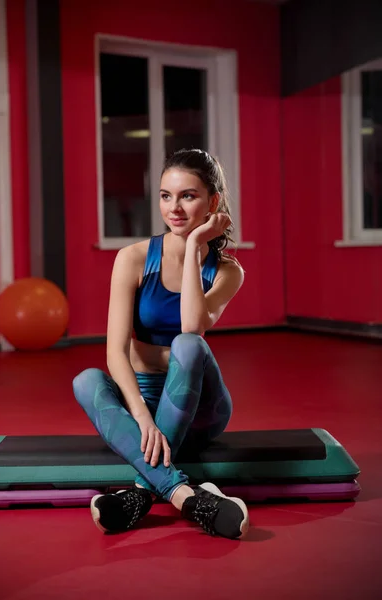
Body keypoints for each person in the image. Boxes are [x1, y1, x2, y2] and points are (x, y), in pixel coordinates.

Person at [73, 148, 249, 539]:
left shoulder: (227, 271)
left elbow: (192, 325)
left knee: (188, 346)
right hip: (145, 398)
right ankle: (185, 496)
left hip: (200, 405)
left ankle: (140, 493)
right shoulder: (133, 259)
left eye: (189, 196)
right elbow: (115, 351)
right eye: (166, 195)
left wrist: (193, 245)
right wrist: (141, 417)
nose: (175, 208)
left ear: (212, 202)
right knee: (86, 380)